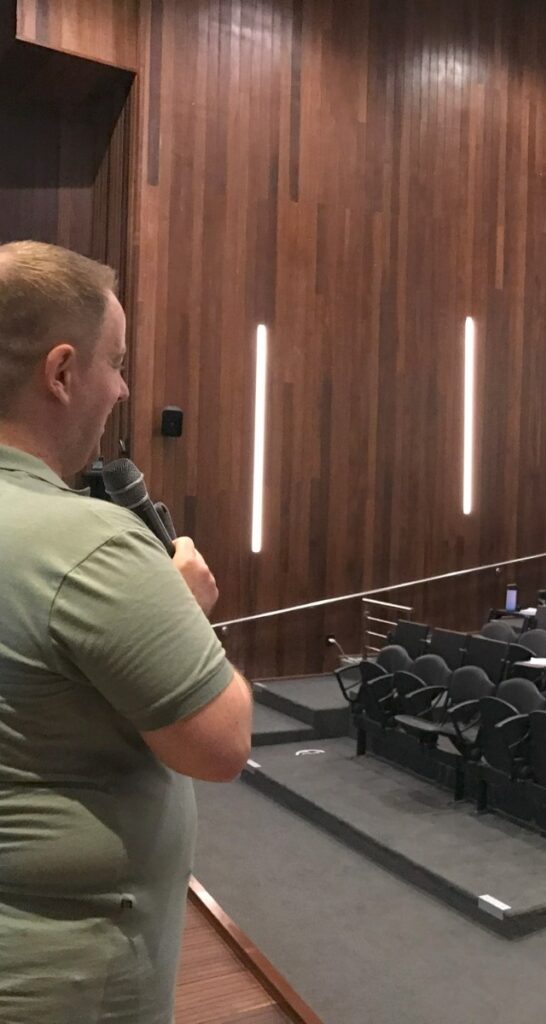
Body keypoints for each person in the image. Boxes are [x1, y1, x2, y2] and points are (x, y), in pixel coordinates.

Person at [0, 241, 253, 1023]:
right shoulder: (93, 544)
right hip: (64, 980)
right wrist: (183, 613)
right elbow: (221, 745)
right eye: (116, 362)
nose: (123, 387)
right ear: (63, 372)